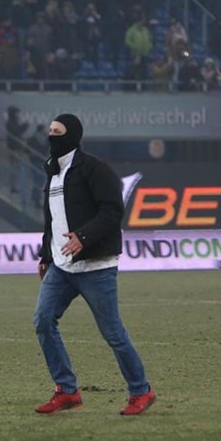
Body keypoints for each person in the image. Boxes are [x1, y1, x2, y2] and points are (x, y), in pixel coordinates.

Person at [33, 114, 156, 416]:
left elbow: (113, 210)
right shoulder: (52, 172)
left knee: (113, 333)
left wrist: (83, 238)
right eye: (49, 131)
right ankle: (67, 390)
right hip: (61, 267)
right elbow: (53, 219)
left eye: (57, 132)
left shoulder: (95, 169)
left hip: (96, 266)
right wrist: (46, 255)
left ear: (72, 136)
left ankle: (141, 390)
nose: (51, 136)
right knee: (43, 321)